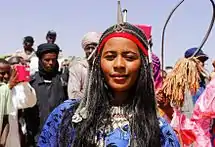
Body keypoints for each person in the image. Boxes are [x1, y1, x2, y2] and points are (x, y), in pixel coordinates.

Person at [38, 23, 180, 147]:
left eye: (129, 57)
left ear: (142, 66)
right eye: (110, 57)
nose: (119, 65)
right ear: (98, 63)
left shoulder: (158, 130)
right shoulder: (65, 116)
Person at [24, 43, 68, 146]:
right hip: (37, 137)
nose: (51, 63)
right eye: (47, 60)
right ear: (40, 60)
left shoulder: (63, 80)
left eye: (53, 60)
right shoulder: (31, 83)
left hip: (59, 136)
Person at [68, 32, 101, 99]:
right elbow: (73, 95)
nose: (90, 51)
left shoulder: (103, 67)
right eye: (88, 48)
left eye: (93, 48)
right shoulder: (77, 68)